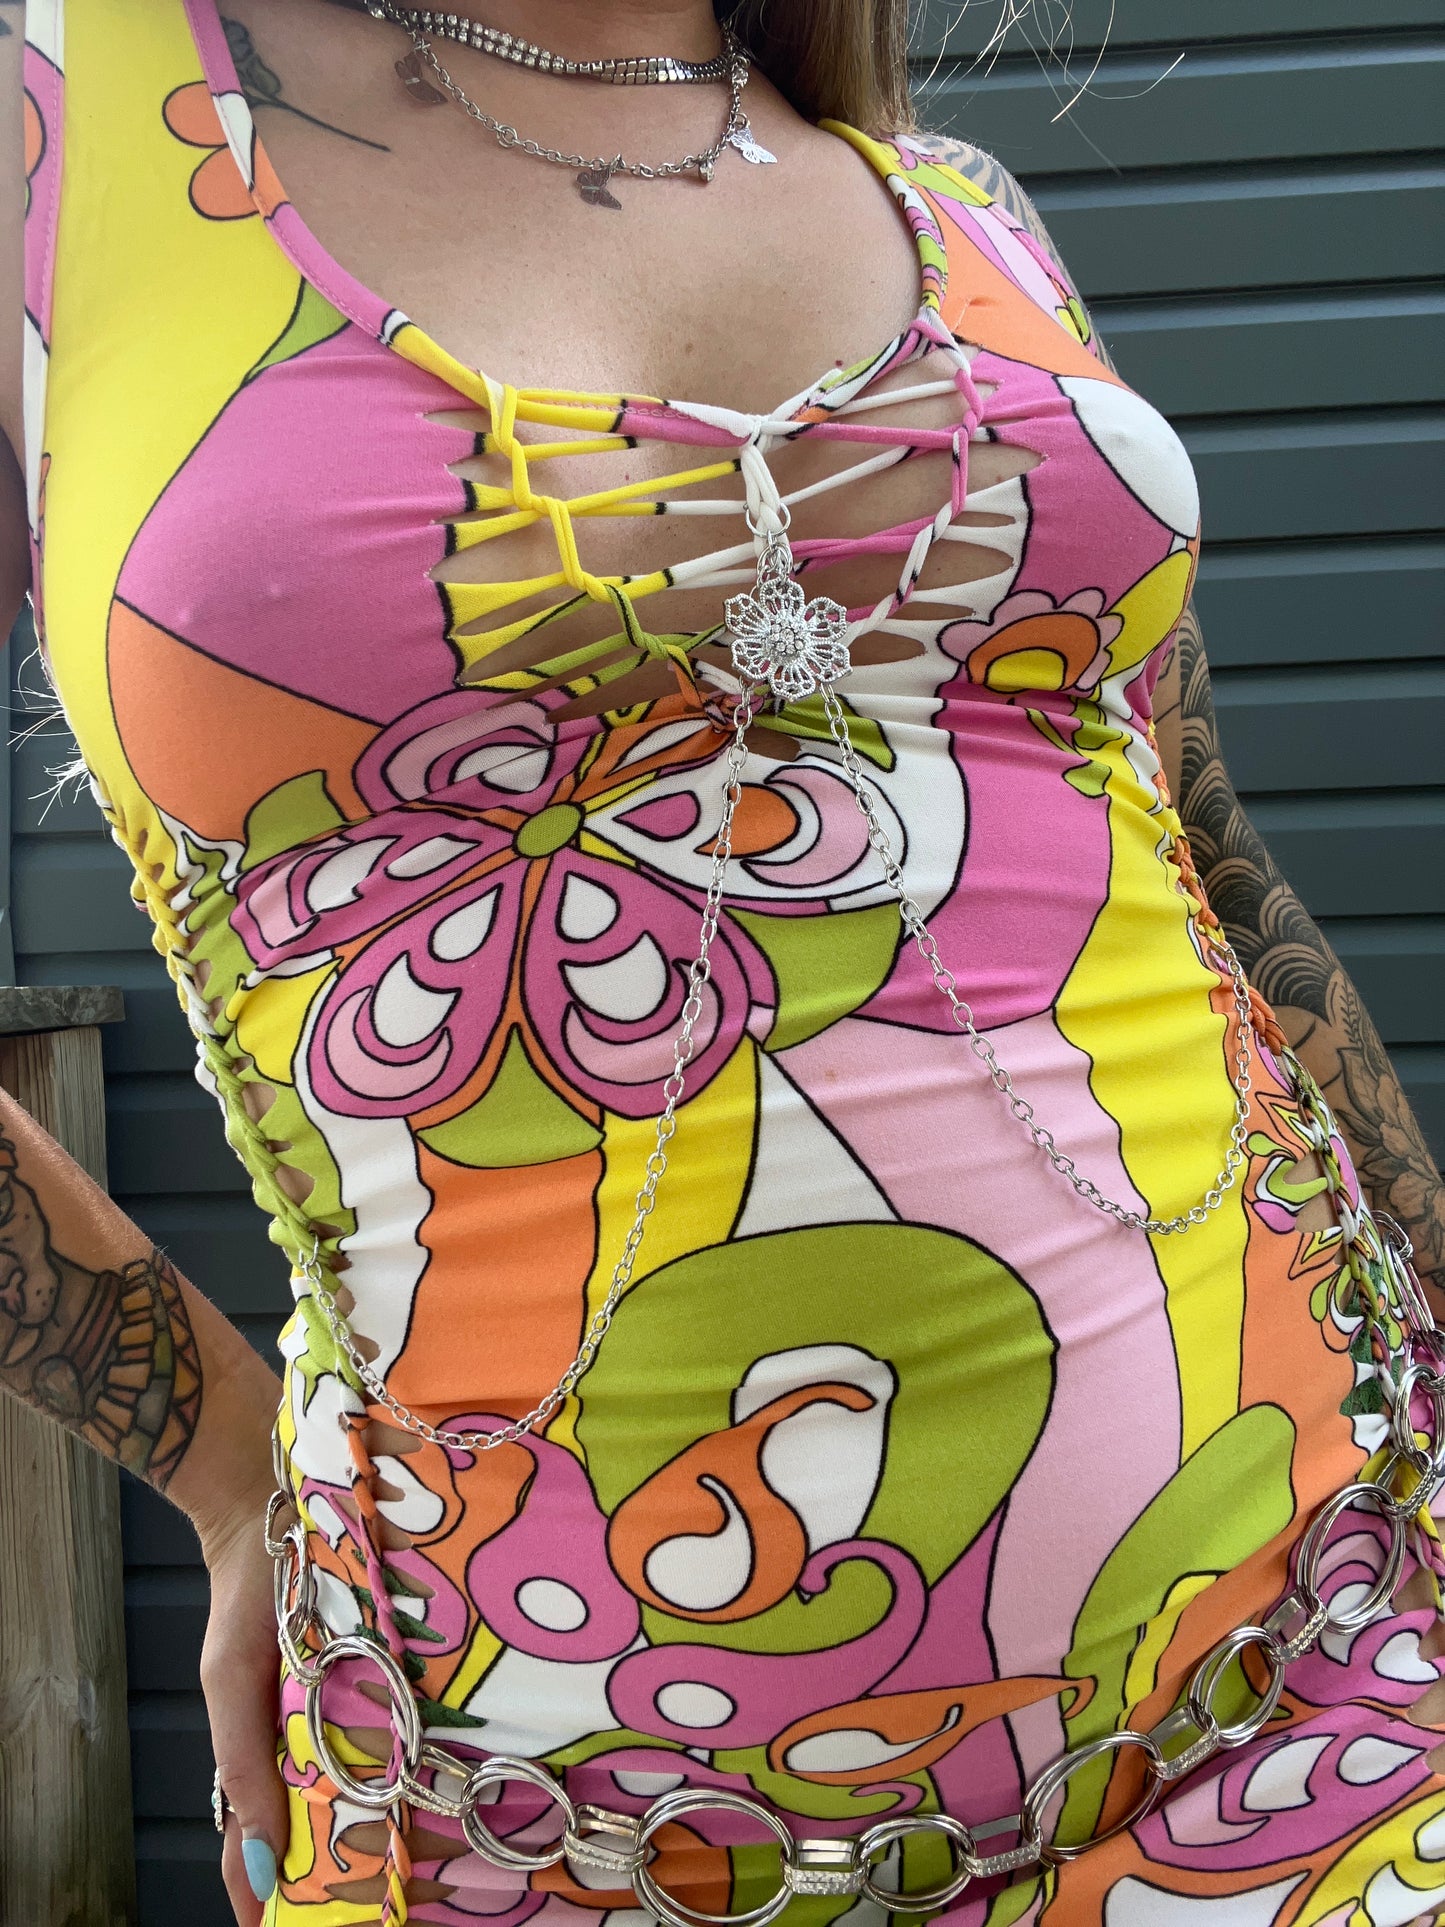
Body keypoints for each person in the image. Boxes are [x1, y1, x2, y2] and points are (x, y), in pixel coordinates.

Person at [3, 1, 1444, 1921]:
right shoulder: (62, 119)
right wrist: (215, 1454)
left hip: (1324, 1669)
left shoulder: (947, 195)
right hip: (538, 1812)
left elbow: (1201, 849)